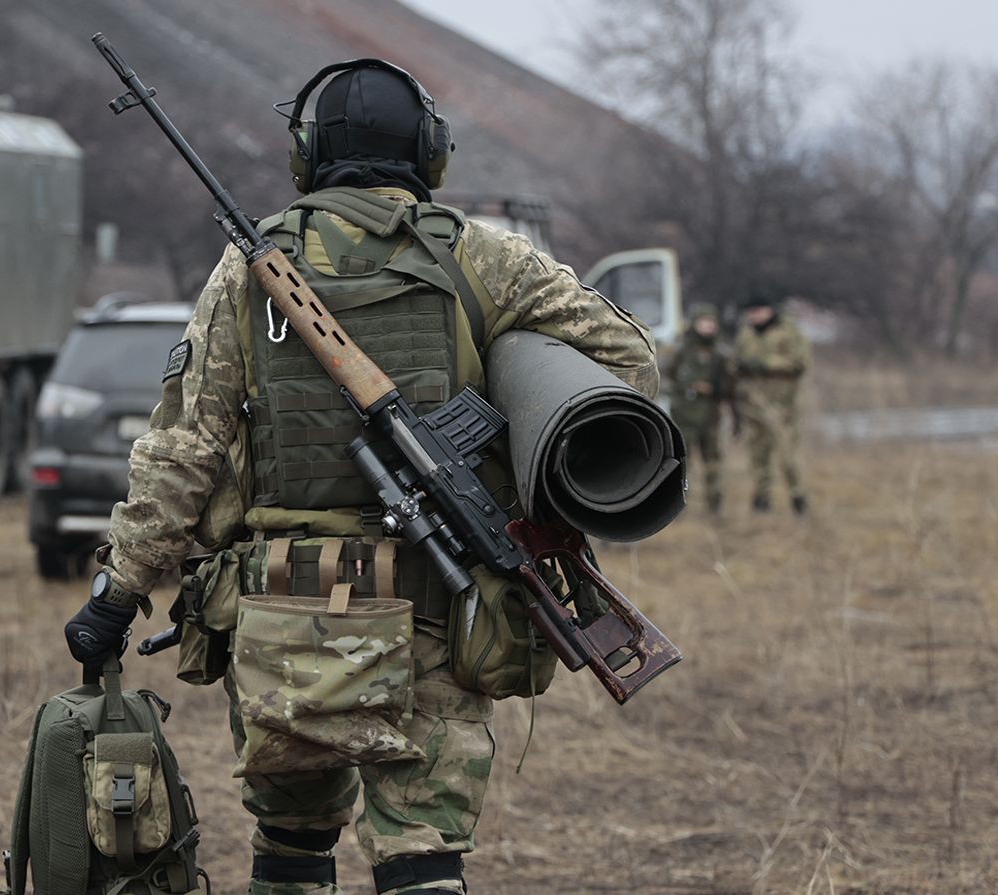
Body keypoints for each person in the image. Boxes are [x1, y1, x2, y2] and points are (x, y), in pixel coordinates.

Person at [63, 58, 658, 895]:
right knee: (422, 855)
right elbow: (628, 365)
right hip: (439, 611)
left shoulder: (245, 272)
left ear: (305, 153)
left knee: (292, 847)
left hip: (282, 613)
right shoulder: (484, 259)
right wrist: (510, 373)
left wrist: (115, 595)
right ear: (431, 152)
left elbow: (183, 450)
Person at [734, 292, 811, 515]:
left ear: (769, 310)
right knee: (757, 456)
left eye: (758, 310)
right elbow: (738, 362)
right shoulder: (746, 334)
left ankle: (798, 498)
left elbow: (800, 362)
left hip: (781, 405)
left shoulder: (788, 331)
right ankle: (761, 500)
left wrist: (765, 364)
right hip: (752, 405)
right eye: (751, 312)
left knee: (788, 455)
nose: (754, 316)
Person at [663, 304, 733, 514]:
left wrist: (715, 389)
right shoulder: (679, 349)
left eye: (711, 323)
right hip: (683, 416)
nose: (708, 327)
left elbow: (731, 384)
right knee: (683, 463)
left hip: (711, 416)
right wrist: (688, 388)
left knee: (713, 462)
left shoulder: (721, 353)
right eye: (704, 323)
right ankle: (677, 505)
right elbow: (665, 378)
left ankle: (715, 505)